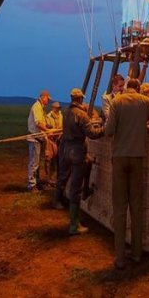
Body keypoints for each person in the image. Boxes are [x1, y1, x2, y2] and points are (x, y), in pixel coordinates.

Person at [104, 78, 149, 270]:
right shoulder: (144, 101)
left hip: (120, 158)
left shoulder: (116, 102)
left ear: (126, 87)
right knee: (136, 206)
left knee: (120, 208)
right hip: (138, 158)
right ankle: (137, 253)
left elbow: (109, 130)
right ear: (138, 89)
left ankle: (120, 257)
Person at [59, 88, 104, 235]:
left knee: (88, 162)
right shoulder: (82, 115)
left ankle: (84, 193)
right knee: (75, 188)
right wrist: (105, 129)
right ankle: (74, 225)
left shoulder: (66, 112)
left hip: (66, 150)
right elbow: (92, 134)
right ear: (80, 99)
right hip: (77, 151)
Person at [26, 90, 52, 192]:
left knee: (37, 162)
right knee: (34, 162)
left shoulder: (41, 108)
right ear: (43, 97)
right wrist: (47, 130)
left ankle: (36, 182)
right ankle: (31, 185)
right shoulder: (37, 107)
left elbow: (42, 122)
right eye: (47, 99)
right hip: (34, 138)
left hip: (38, 138)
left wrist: (47, 126)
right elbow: (38, 123)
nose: (48, 101)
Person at [44, 101, 63, 185]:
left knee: (56, 160)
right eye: (56, 108)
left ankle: (54, 178)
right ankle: (47, 178)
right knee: (48, 159)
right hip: (50, 140)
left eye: (59, 108)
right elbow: (47, 128)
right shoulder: (48, 117)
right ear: (53, 108)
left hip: (58, 140)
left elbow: (61, 127)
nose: (58, 109)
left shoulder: (61, 116)